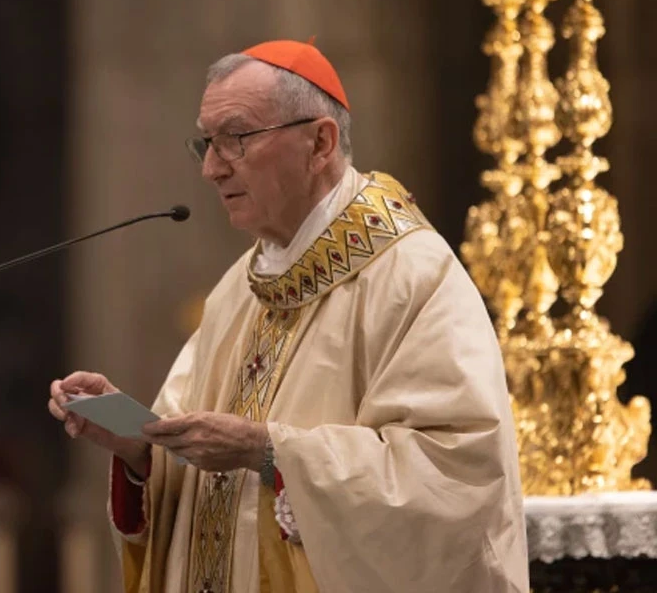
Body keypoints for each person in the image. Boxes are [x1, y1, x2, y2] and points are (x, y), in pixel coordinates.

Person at [48, 39, 529, 593]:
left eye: (235, 139)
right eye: (206, 143)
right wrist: (137, 446)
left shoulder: (412, 276)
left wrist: (270, 451)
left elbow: (455, 479)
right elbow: (190, 471)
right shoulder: (239, 289)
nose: (211, 169)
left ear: (320, 142)